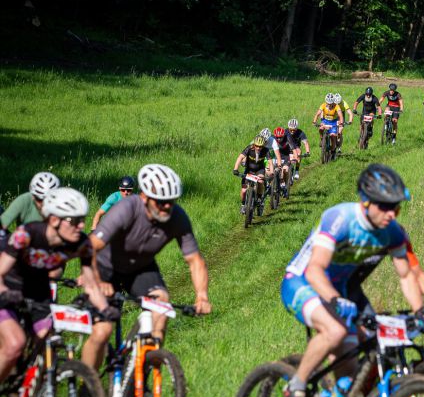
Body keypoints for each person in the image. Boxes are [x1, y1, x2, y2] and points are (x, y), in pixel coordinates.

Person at [279, 164, 424, 397]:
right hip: (303, 282)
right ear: (365, 201)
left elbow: (406, 276)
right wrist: (334, 300)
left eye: (395, 207)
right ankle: (296, 385)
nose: (391, 214)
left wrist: (419, 312)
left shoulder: (392, 232)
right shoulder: (340, 218)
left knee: (349, 384)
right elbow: (315, 269)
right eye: (384, 206)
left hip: (340, 292)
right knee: (334, 331)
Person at [83, 164, 211, 370]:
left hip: (141, 268)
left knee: (162, 303)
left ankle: (144, 372)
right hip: (106, 267)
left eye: (171, 201)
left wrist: (202, 296)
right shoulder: (127, 208)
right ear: (144, 197)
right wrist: (97, 279)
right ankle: (86, 382)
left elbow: (195, 261)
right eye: (160, 202)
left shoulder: (177, 217)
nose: (166, 207)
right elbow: (91, 247)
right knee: (102, 331)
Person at [0, 188, 110, 383]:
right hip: (8, 287)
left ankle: (36, 394)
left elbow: (91, 285)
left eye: (82, 219)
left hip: (39, 292)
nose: (81, 225)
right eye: (74, 221)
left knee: (47, 343)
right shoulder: (26, 234)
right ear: (53, 220)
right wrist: (5, 293)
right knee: (15, 344)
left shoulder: (81, 244)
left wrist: (105, 311)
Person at [233, 135, 275, 215]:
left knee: (260, 181)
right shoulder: (249, 148)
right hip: (249, 170)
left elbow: (270, 162)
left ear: (263, 145)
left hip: (259, 170)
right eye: (256, 146)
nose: (258, 148)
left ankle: (259, 198)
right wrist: (235, 169)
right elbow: (240, 157)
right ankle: (243, 205)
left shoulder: (266, 150)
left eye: (260, 146)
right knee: (244, 190)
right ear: (254, 144)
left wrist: (272, 173)